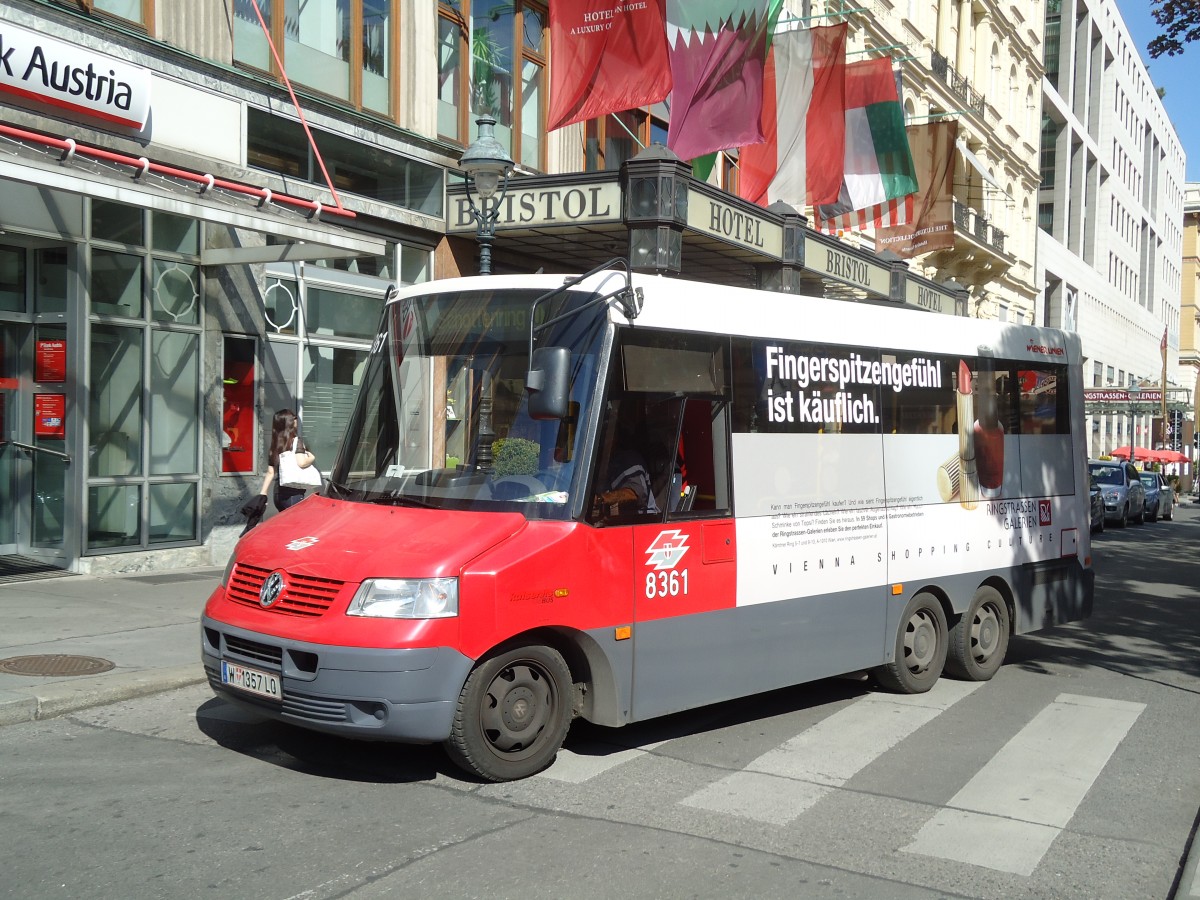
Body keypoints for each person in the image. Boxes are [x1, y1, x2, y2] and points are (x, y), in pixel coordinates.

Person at [258, 409, 317, 512]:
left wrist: (263, 493)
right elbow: (302, 463)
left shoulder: (275, 444)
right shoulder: (296, 442)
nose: (296, 420)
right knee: (296, 525)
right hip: (293, 495)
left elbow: (270, 472)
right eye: (294, 418)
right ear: (289, 422)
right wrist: (311, 458)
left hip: (278, 495)